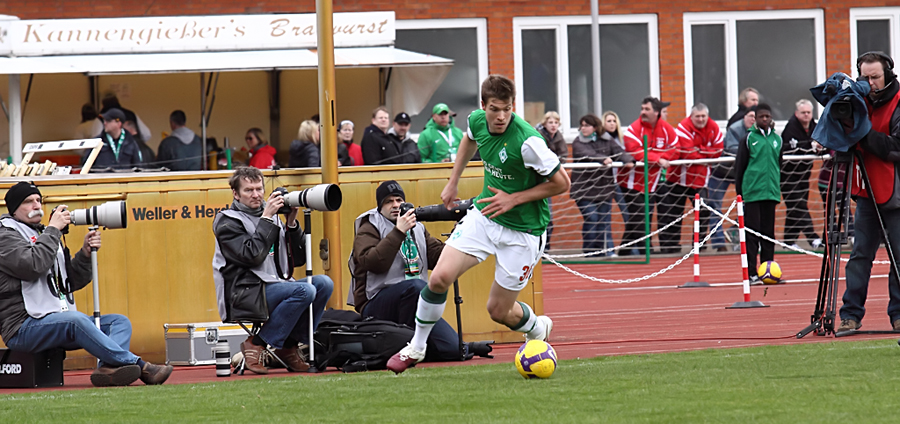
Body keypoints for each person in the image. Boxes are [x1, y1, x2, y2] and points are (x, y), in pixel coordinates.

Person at [386, 75, 570, 374]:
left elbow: (562, 183)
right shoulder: (476, 121)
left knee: (498, 311)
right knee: (438, 278)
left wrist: (514, 198)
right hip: (484, 216)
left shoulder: (529, 142)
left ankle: (536, 327)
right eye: (495, 109)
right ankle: (416, 347)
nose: (501, 116)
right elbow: (469, 140)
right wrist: (453, 181)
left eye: (507, 109)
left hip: (523, 232)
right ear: (483, 105)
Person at [0, 182, 173, 387]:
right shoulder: (6, 235)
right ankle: (142, 366)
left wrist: (84, 254)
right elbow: (32, 266)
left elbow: (68, 283)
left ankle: (108, 369)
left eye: (38, 200)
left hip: (53, 321)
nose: (36, 205)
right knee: (75, 320)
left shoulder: (43, 233)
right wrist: (54, 230)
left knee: (118, 322)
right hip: (23, 327)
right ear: (14, 209)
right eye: (28, 202)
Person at [350, 181, 492, 362]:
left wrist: (461, 229)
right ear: (380, 206)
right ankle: (410, 345)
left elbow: (441, 258)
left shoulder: (417, 228)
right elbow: (372, 262)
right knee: (417, 286)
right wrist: (398, 231)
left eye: (399, 200)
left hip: (414, 299)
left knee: (454, 351)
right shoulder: (369, 226)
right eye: (389, 201)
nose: (395, 205)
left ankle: (444, 346)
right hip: (376, 302)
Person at [212, 167, 334, 374]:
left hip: (274, 287)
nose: (256, 195)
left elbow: (300, 260)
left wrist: (292, 223)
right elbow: (252, 256)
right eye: (249, 190)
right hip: (243, 293)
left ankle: (289, 346)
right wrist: (267, 218)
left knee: (323, 284)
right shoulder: (227, 221)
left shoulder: (273, 216)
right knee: (306, 291)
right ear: (235, 193)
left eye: (259, 189)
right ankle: (256, 343)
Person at [838, 52, 900, 332]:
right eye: (865, 77)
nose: (871, 83)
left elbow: (895, 147)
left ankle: (898, 315)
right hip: (866, 192)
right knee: (860, 255)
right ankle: (850, 314)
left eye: (876, 76)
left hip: (896, 193)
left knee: (899, 256)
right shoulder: (858, 101)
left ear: (888, 73)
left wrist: (862, 134)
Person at [657, 104, 722, 254]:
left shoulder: (714, 127)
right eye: (697, 116)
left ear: (707, 116)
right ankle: (670, 246)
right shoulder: (683, 127)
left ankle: (699, 244)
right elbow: (688, 153)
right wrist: (706, 153)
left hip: (700, 180)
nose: (700, 119)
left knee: (703, 211)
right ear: (691, 117)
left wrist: (700, 150)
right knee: (673, 213)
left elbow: (718, 151)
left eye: (703, 116)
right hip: (677, 179)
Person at [617, 97, 678, 256]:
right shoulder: (633, 129)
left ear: (656, 112)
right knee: (640, 215)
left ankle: (624, 251)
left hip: (651, 181)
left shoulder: (666, 129)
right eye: (642, 108)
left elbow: (676, 149)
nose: (643, 112)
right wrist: (658, 159)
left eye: (647, 109)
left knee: (636, 216)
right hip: (629, 182)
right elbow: (635, 151)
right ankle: (647, 252)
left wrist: (661, 158)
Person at [571, 114, 634, 255]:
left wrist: (628, 160)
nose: (583, 128)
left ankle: (599, 251)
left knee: (603, 222)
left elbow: (619, 152)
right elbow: (585, 154)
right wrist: (602, 159)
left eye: (586, 125)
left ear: (595, 127)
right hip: (584, 189)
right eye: (582, 125)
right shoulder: (578, 142)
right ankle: (589, 250)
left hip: (603, 188)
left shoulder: (607, 139)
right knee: (592, 218)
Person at [735, 103, 781, 284]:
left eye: (767, 116)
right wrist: (740, 193)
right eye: (761, 116)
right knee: (752, 235)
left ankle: (767, 270)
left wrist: (776, 186)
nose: (764, 119)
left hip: (770, 193)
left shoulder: (778, 139)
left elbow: (780, 165)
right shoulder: (747, 140)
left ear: (770, 118)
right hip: (752, 193)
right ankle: (752, 273)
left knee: (768, 234)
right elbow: (740, 167)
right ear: (755, 119)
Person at [708, 108, 756, 251]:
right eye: (750, 116)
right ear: (744, 117)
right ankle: (718, 242)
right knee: (715, 206)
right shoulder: (734, 129)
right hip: (721, 171)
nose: (753, 119)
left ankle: (736, 233)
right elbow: (732, 149)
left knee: (749, 204)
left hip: (740, 172)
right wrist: (751, 152)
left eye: (756, 116)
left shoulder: (759, 132)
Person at [781, 99, 822, 250]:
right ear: (796, 113)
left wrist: (818, 148)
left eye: (808, 113)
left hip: (805, 174)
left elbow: (822, 143)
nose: (806, 115)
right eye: (803, 112)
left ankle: (788, 240)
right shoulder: (790, 128)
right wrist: (810, 146)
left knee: (793, 208)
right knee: (799, 205)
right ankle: (813, 238)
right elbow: (792, 148)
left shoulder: (815, 127)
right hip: (787, 175)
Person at [536, 111, 568, 249]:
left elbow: (564, 154)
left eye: (556, 123)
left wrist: (556, 161)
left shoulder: (559, 137)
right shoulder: (538, 135)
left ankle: (546, 248)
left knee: (548, 216)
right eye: (550, 122)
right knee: (540, 215)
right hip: (538, 178)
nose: (553, 125)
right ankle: (540, 248)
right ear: (544, 123)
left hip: (549, 178)